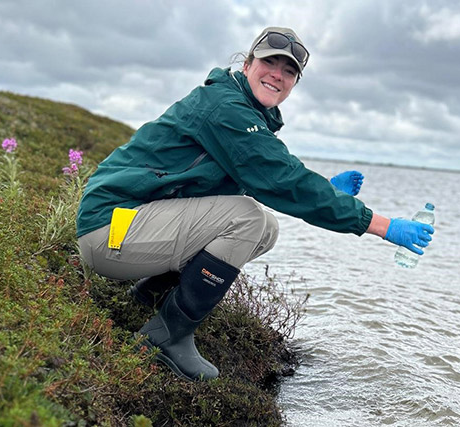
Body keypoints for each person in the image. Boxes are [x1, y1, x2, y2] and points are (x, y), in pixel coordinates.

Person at [76, 26, 434, 381]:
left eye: (289, 70)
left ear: (294, 83)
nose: (278, 75)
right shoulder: (226, 110)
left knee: (265, 227)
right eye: (270, 62)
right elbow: (283, 179)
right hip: (109, 230)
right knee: (245, 217)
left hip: (128, 226)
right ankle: (168, 335)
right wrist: (383, 226)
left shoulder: (241, 110)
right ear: (247, 65)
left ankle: (152, 292)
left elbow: (268, 182)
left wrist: (324, 189)